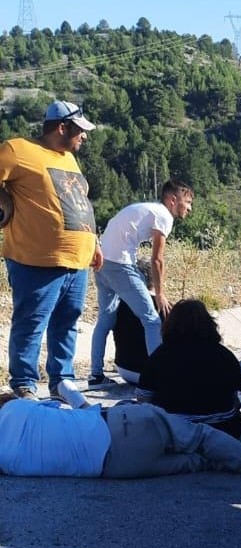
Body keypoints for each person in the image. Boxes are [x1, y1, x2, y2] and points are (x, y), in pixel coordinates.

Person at [0, 100, 102, 400]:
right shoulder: (17, 150)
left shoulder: (69, 159)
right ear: (62, 127)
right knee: (32, 322)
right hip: (37, 260)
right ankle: (24, 384)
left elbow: (78, 203)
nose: (84, 136)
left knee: (67, 322)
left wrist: (94, 243)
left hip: (77, 260)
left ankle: (61, 381)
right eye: (80, 130)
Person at [0, 391, 241, 478]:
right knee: (199, 437)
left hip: (118, 468)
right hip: (120, 426)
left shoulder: (5, 462)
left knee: (201, 463)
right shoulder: (16, 407)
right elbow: (61, 406)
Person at [87, 181, 194, 387]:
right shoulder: (164, 215)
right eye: (187, 202)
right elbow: (157, 260)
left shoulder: (148, 209)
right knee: (152, 320)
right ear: (173, 200)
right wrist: (161, 294)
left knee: (105, 320)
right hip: (120, 264)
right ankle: (158, 378)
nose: (189, 208)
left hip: (102, 261)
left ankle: (96, 375)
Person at [137, 299, 241, 439]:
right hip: (223, 430)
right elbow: (240, 398)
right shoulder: (224, 355)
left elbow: (143, 397)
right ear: (209, 323)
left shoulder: (160, 356)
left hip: (173, 432)